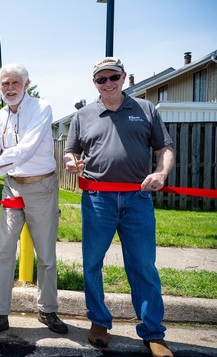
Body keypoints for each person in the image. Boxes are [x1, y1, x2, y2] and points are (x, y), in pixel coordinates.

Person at [64, 57, 175, 357]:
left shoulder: (145, 109)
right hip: (98, 200)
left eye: (113, 77)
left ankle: (153, 332)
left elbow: (164, 148)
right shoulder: (83, 115)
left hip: (137, 199)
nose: (108, 83)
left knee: (142, 266)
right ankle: (99, 321)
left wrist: (162, 173)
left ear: (124, 77)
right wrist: (71, 163)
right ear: (94, 83)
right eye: (101, 79)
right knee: (92, 263)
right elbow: (70, 152)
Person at [0, 64, 67, 339]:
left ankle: (47, 309)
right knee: (4, 251)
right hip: (12, 187)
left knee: (46, 255)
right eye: (4, 84)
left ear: (26, 83)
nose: (9, 88)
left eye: (14, 82)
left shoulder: (42, 108)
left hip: (41, 186)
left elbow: (26, 148)